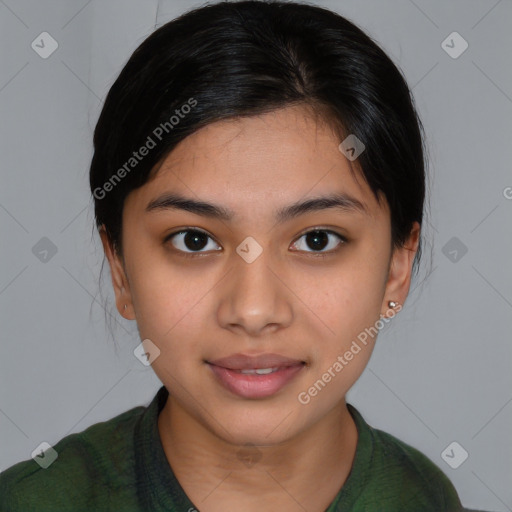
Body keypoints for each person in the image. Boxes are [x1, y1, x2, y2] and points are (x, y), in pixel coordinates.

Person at [0, 1, 464, 510]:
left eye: (317, 240)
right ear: (120, 269)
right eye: (193, 240)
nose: (253, 310)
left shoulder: (427, 498)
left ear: (397, 267)